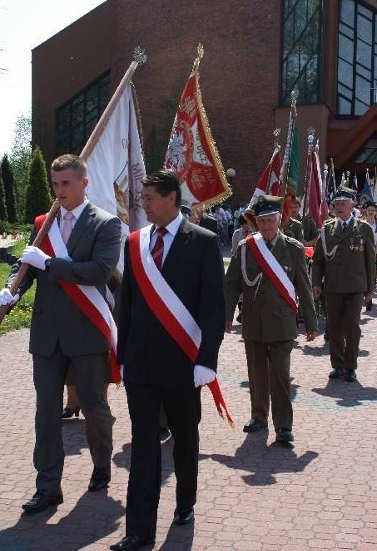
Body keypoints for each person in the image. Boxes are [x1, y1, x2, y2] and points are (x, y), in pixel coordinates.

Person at [0, 154, 121, 514]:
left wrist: (49, 263)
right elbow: (24, 266)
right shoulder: (43, 223)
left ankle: (100, 465)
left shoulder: (106, 224)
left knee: (95, 406)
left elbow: (99, 271)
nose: (60, 190)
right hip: (48, 334)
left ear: (84, 183)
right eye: (55, 184)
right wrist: (11, 289)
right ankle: (48, 486)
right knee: (46, 410)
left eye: (67, 183)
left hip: (87, 330)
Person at [111, 170, 225, 550]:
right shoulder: (134, 243)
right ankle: (139, 531)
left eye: (149, 197)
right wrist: (122, 356)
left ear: (172, 198)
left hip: (184, 364)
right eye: (142, 197)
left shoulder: (204, 242)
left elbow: (213, 308)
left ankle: (185, 502)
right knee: (143, 445)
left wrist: (207, 361)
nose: (143, 203)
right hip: (141, 365)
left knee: (185, 439)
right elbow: (126, 305)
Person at [224, 195, 317, 444]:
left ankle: (284, 426)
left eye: (270, 221)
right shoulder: (245, 249)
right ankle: (259, 416)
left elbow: (304, 287)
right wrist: (226, 315)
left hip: (282, 323)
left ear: (279, 221)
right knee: (256, 374)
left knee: (280, 376)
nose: (266, 226)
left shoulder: (294, 249)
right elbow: (231, 284)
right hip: (253, 322)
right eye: (262, 221)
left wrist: (310, 322)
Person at [311, 186, 376, 383]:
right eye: (336, 204)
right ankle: (338, 365)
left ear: (352, 205)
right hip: (333, 287)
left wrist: (370, 288)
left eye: (343, 203)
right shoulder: (327, 229)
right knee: (334, 327)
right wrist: (316, 282)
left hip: (356, 286)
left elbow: (370, 260)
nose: (339, 207)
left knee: (352, 326)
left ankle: (351, 366)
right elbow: (319, 260)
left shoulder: (363, 229)